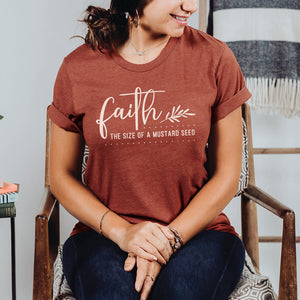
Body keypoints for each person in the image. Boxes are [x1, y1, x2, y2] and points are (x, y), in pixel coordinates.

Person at [48, 0, 252, 299]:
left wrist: (165, 241)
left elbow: (227, 174)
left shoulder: (215, 58)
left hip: (201, 234)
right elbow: (61, 176)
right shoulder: (77, 68)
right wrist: (124, 233)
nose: (191, 6)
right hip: (103, 237)